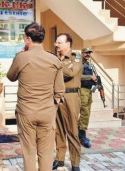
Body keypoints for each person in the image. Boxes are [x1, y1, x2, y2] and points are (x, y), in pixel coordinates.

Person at [7, 22, 65, 171]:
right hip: (47, 112)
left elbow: (10, 76)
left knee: (29, 152)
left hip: (26, 112)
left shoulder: (22, 57)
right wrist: (52, 108)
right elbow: (59, 91)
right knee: (46, 153)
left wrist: (21, 53)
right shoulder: (54, 60)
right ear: (43, 38)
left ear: (27, 39)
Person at [53, 33, 82, 171]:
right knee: (58, 130)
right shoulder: (56, 58)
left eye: (59, 42)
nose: (56, 45)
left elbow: (71, 73)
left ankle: (75, 163)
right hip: (57, 97)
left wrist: (56, 65)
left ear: (68, 44)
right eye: (56, 42)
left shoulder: (76, 57)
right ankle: (59, 159)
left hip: (71, 97)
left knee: (72, 131)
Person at [79, 48, 96, 148]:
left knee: (87, 111)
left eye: (89, 53)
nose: (88, 54)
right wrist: (90, 77)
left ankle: (81, 132)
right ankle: (81, 135)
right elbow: (78, 76)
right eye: (86, 53)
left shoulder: (89, 64)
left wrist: (95, 82)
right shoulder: (80, 63)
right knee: (84, 111)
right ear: (82, 53)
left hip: (89, 90)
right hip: (82, 90)